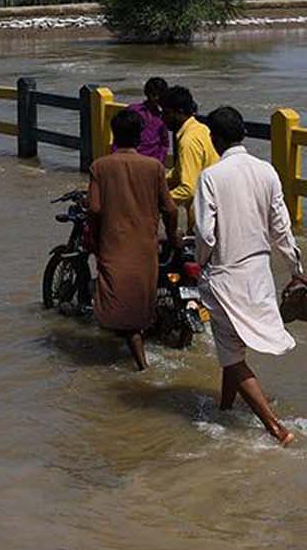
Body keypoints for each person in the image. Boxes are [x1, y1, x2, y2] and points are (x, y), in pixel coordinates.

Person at [194, 106, 306, 445]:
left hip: (227, 276)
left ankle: (276, 428)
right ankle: (226, 408)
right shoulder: (266, 171)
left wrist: (201, 265)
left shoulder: (211, 177)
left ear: (214, 139)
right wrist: (297, 271)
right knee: (234, 350)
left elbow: (205, 234)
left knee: (230, 352)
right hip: (260, 275)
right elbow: (281, 229)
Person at [89, 108, 177, 370]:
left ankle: (141, 364)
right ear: (139, 137)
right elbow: (170, 209)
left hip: (113, 245)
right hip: (146, 247)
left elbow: (94, 209)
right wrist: (172, 236)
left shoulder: (100, 166)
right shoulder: (154, 167)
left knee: (121, 305)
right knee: (140, 301)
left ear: (114, 136)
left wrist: (95, 238)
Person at [162, 85, 215, 230]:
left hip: (202, 215)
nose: (163, 119)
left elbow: (188, 188)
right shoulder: (201, 129)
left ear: (179, 112)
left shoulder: (188, 141)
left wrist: (160, 201)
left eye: (166, 113)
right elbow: (181, 171)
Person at [123, 77, 171, 164]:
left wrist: (159, 161)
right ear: (147, 93)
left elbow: (165, 143)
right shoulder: (133, 110)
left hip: (153, 161)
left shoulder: (163, 116)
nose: (156, 98)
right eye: (153, 94)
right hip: (132, 159)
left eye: (159, 95)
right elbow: (120, 133)